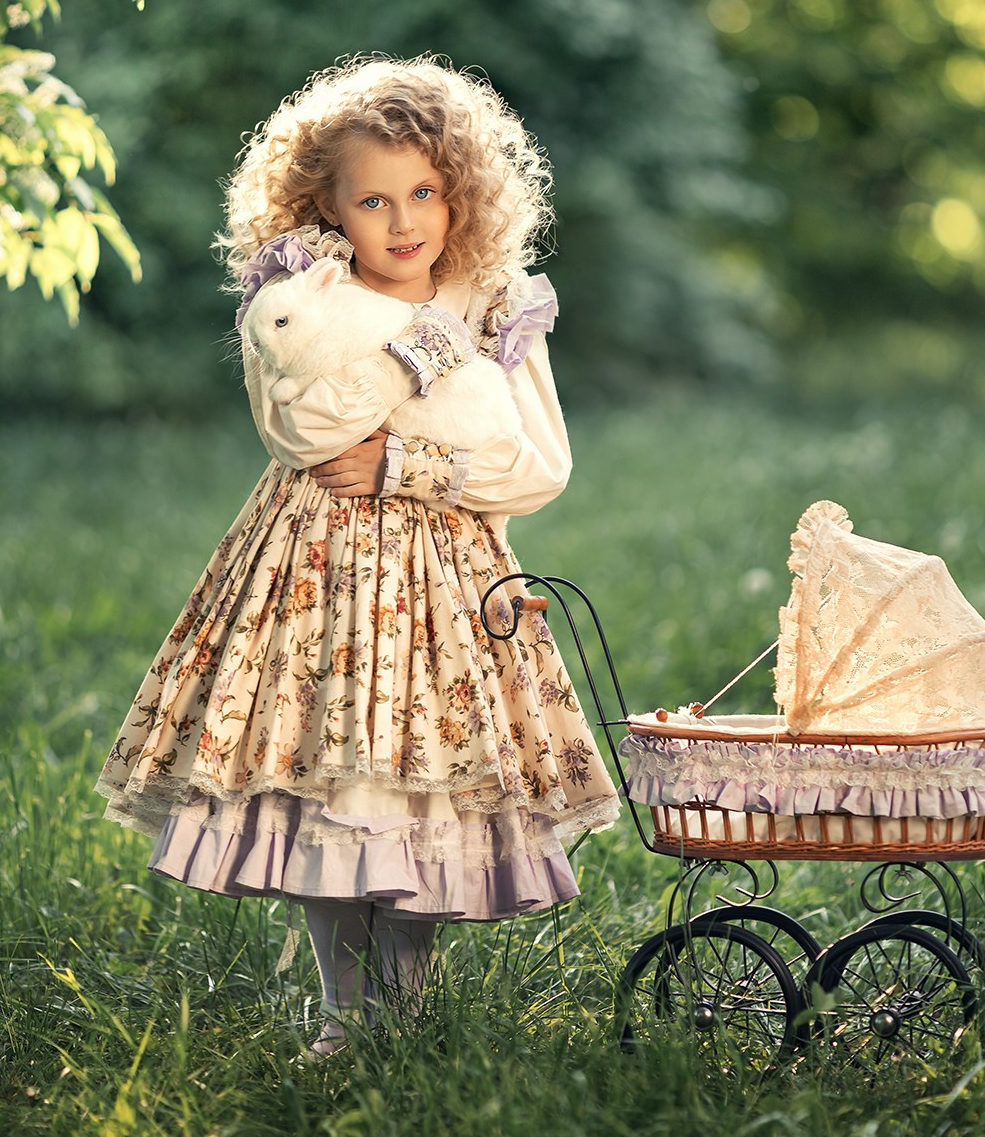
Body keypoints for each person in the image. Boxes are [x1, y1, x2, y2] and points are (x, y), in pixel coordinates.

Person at [96, 55, 620, 1056]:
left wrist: (402, 465)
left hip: (445, 589)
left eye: (425, 190)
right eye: (373, 199)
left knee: (422, 794)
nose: (404, 219)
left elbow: (534, 466)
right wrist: (406, 358)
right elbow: (298, 435)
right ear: (327, 207)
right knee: (335, 789)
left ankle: (404, 1014)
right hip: (314, 582)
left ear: (462, 191)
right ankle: (346, 1019)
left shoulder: (496, 304)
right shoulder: (302, 300)